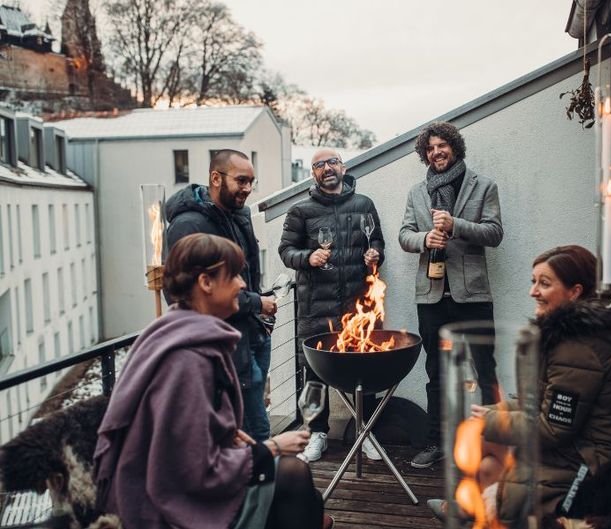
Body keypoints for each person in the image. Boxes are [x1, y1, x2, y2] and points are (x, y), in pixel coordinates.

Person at [94, 233, 333, 529]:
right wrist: (271, 447)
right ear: (206, 283)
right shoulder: (188, 361)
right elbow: (195, 471)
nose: (243, 285)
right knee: (294, 476)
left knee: (301, 493)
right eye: (232, 275)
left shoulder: (171, 331)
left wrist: (228, 435)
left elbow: (181, 430)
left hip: (159, 485)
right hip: (168, 507)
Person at [445, 245, 611, 526]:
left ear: (575, 292)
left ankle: (474, 511)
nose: (533, 291)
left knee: (485, 446)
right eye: (533, 282)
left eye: (544, 284)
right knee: (481, 442)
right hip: (575, 448)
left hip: (589, 467)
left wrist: (492, 420)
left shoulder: (579, 349)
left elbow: (554, 428)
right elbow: (538, 401)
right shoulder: (569, 337)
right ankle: (472, 509)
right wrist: (494, 411)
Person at [399, 121, 504, 468]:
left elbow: (494, 233)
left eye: (442, 145)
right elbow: (404, 234)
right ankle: (436, 442)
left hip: (472, 295)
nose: (435, 152)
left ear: (455, 147)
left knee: (484, 370)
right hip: (430, 296)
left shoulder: (483, 186)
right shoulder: (416, 192)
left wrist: (455, 225)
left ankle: (496, 443)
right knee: (436, 373)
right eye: (429, 148)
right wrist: (424, 239)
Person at [278, 148, 385, 462]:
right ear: (313, 172)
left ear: (343, 167)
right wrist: (307, 258)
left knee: (365, 371)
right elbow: (286, 251)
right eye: (319, 164)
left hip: (358, 307)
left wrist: (375, 255)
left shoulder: (364, 204)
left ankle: (366, 432)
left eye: (332, 162)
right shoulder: (301, 211)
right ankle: (317, 434)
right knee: (313, 375)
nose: (327, 168)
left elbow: (377, 241)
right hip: (315, 308)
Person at [165, 149, 276, 441]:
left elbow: (243, 276)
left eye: (252, 182)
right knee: (256, 434)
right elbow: (187, 296)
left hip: (253, 335)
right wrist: (257, 303)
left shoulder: (238, 214)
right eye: (241, 181)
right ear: (216, 178)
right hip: (228, 347)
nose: (248, 189)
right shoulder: (189, 225)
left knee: (254, 422)